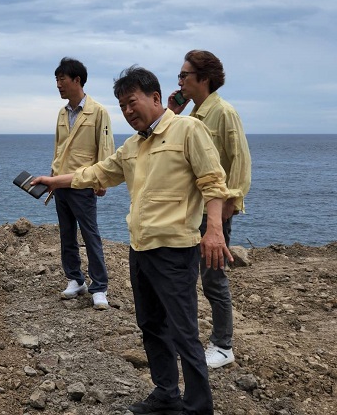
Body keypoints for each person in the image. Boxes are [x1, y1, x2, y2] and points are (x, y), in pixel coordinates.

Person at [33, 65, 232, 415]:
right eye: (122, 105)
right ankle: (166, 393)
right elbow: (97, 173)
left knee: (184, 330)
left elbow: (214, 182)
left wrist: (214, 230)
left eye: (132, 102)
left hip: (174, 249)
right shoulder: (132, 147)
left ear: (155, 98)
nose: (127, 111)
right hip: (140, 249)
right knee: (151, 325)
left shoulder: (187, 129)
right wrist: (56, 181)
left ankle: (199, 406)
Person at [168, 50, 251, 369]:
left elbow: (241, 160)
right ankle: (190, 341)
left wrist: (232, 201)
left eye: (184, 75)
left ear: (204, 79)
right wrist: (174, 112)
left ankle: (223, 345)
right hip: (189, 211)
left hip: (212, 212)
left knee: (213, 279)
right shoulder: (190, 116)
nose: (179, 81)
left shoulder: (224, 113)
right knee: (187, 277)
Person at [51, 57, 115, 310]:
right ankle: (75, 279)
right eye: (56, 80)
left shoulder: (98, 111)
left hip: (84, 183)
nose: (58, 85)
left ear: (77, 80)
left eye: (62, 79)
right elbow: (58, 148)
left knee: (90, 236)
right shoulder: (61, 113)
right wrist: (53, 177)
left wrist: (102, 180)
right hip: (61, 183)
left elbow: (106, 147)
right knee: (66, 235)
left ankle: (99, 287)